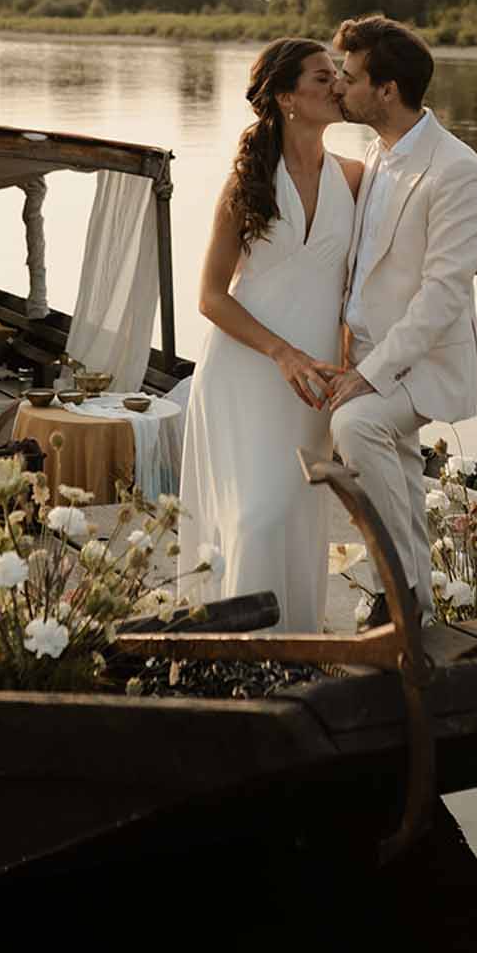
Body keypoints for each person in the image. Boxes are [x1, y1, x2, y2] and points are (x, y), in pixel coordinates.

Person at [178, 39, 363, 631]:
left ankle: (295, 653)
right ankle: (237, 657)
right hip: (247, 372)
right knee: (253, 517)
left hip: (313, 385)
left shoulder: (356, 179)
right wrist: (282, 353)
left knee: (292, 516)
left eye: (338, 75)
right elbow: (209, 296)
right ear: (286, 97)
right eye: (321, 77)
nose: (337, 85)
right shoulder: (246, 186)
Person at [320, 14, 477, 620]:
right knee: (400, 467)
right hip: (366, 354)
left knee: (356, 426)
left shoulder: (456, 169)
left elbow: (444, 294)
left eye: (350, 76)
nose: (338, 86)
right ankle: (414, 597)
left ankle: (399, 589)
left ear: (387, 90)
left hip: (422, 362)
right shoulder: (376, 152)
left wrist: (370, 374)